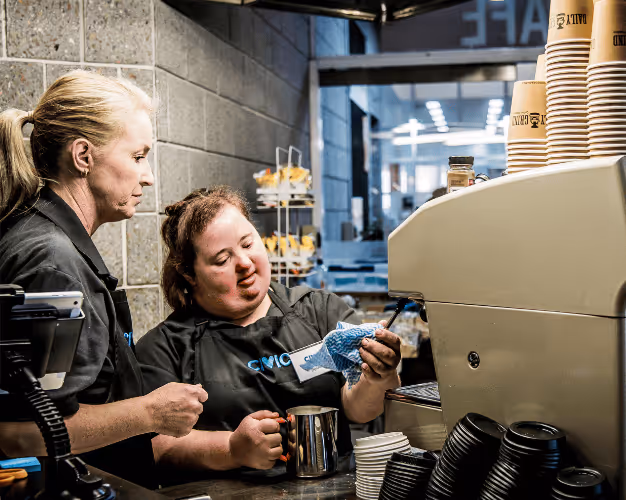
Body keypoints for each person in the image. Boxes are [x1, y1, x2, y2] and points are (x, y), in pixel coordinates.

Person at [0, 71, 207, 487]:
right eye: (137, 156)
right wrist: (150, 413)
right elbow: (19, 433)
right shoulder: (52, 261)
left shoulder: (46, 239)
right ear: (83, 156)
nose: (147, 177)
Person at [136, 186, 401, 479]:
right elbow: (157, 448)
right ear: (189, 274)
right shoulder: (166, 348)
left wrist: (379, 377)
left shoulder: (319, 311)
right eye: (222, 260)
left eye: (248, 244)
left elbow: (359, 410)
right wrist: (231, 449)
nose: (245, 264)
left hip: (330, 488)